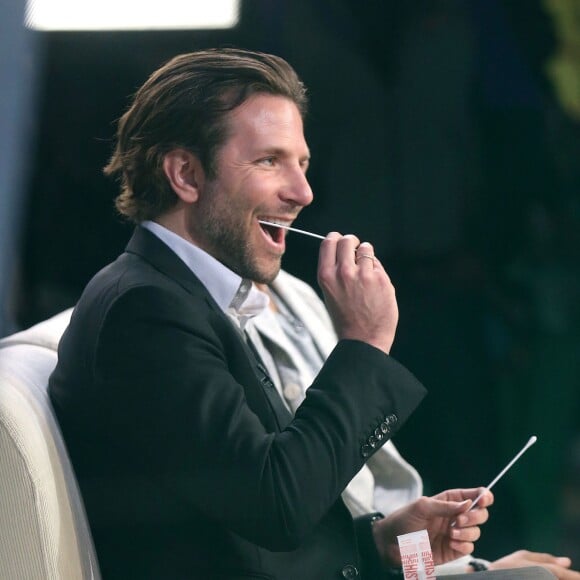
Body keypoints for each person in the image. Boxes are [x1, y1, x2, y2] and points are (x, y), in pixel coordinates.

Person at [48, 48, 494, 579]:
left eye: (302, 163)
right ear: (186, 174)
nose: (303, 192)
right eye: (269, 161)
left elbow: (252, 516)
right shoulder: (143, 313)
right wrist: (365, 342)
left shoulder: (194, 298)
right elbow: (277, 507)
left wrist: (381, 542)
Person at [250, 270, 580, 579]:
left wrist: (473, 569)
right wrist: (368, 344)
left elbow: (389, 546)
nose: (303, 202)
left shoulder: (298, 295)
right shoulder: (211, 325)